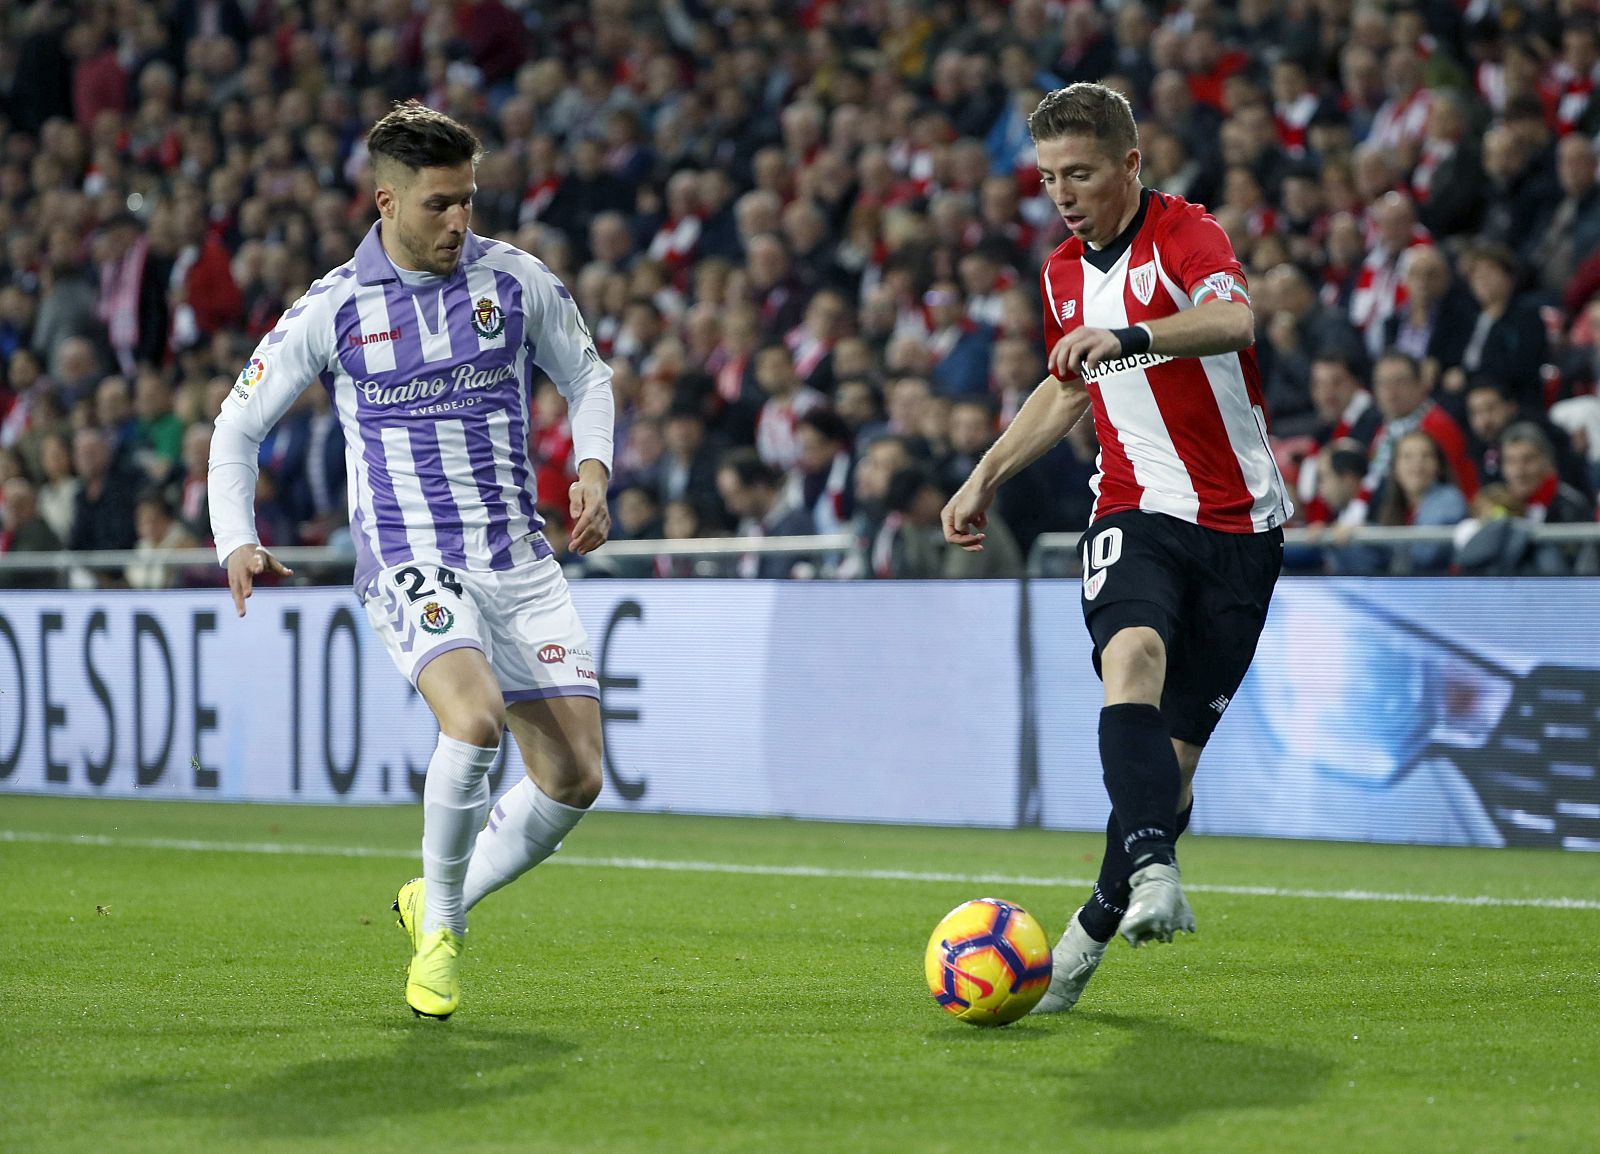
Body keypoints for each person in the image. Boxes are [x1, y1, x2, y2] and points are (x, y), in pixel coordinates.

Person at [207, 102, 615, 1021]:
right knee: (471, 725)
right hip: (409, 556)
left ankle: (438, 898)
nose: (460, 222)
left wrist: (593, 465)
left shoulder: (513, 281)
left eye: (468, 200)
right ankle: (442, 945)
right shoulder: (335, 306)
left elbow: (588, 373)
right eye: (440, 205)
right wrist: (235, 533)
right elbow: (239, 421)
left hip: (518, 558)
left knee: (576, 778)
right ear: (385, 201)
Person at [941, 83, 1291, 1014]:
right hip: (1135, 505)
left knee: (1172, 768)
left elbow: (1234, 321)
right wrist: (984, 477)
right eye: (1050, 175)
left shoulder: (1186, 236)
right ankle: (1151, 872)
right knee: (1128, 656)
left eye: (1081, 173)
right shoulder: (1061, 272)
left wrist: (1127, 335)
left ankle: (1091, 930)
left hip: (1242, 526)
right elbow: (1065, 391)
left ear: (1130, 166)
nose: (1062, 192)